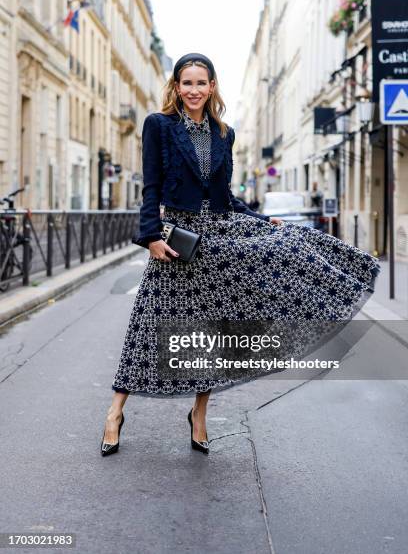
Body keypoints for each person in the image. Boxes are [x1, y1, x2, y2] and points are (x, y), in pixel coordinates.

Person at [101, 52, 380, 457]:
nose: (194, 90)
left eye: (201, 83)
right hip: (178, 237)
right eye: (187, 83)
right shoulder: (158, 125)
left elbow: (225, 196)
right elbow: (152, 187)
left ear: (212, 87)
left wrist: (265, 221)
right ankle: (115, 412)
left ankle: (199, 414)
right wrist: (150, 237)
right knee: (150, 323)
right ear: (176, 87)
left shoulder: (223, 133)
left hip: (218, 234)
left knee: (218, 324)